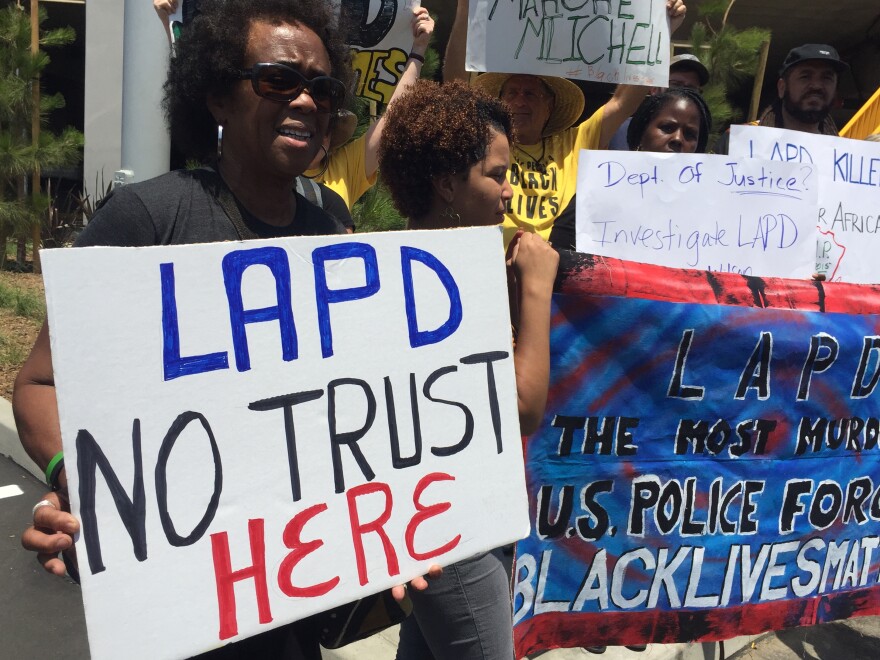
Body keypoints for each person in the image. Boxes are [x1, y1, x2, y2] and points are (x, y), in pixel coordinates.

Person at [15, 1, 437, 657]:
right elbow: (41, 382)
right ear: (217, 95)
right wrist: (83, 484)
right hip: (169, 613)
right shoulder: (147, 220)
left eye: (323, 89)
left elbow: (347, 412)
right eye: (278, 80)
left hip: (289, 605)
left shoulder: (332, 231)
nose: (306, 101)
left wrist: (393, 533)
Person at [379, 78, 559, 660]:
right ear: (446, 182)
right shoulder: (439, 279)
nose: (510, 191)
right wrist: (537, 288)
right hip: (454, 529)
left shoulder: (436, 258)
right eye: (496, 174)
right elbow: (521, 407)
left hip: (459, 513)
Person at [444, 0, 688, 247]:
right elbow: (455, 87)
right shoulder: (484, 141)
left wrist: (661, 30)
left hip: (559, 268)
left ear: (549, 106)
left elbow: (622, 102)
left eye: (530, 94)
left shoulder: (574, 142)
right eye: (512, 93)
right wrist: (465, 9)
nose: (520, 101)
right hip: (495, 264)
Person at [715, 43, 849, 153]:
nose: (816, 86)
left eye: (827, 78)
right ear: (782, 87)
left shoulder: (846, 156)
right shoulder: (738, 140)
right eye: (805, 76)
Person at [608, 53, 710, 150]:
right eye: (675, 85)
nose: (678, 138)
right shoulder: (615, 130)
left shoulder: (701, 139)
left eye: (691, 89)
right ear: (654, 89)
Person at [628, 87, 713, 153]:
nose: (678, 139)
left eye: (690, 134)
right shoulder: (616, 172)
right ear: (642, 131)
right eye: (667, 128)